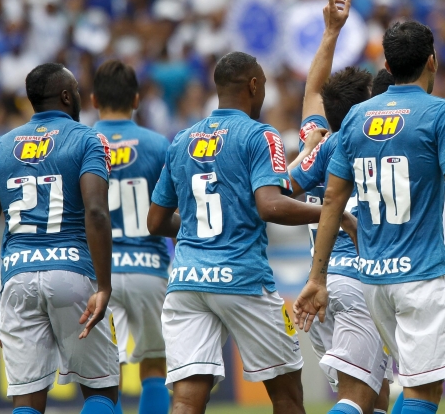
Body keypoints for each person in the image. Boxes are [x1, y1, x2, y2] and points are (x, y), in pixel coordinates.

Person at [294, 20, 445, 414]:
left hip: (372, 279)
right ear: (432, 61)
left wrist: (316, 278)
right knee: (423, 391)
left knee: (384, 392)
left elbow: (333, 198)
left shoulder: (355, 119)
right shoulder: (441, 113)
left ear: (386, 62)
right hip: (420, 275)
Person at [146, 51, 354, 414]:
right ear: (254, 85)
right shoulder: (260, 135)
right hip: (242, 279)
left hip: (186, 280)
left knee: (186, 399)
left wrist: (194, 231)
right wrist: (330, 214)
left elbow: (155, 222)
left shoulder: (182, 139)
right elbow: (270, 205)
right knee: (287, 396)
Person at [0, 63, 119, 414]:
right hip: (71, 273)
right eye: (77, 90)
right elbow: (95, 212)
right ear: (67, 96)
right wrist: (105, 286)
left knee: (27, 400)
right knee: (101, 390)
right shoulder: (88, 139)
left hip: (17, 280)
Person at [288, 0, 392, 414]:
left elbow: (313, 92)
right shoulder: (376, 141)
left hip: (321, 287)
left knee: (375, 397)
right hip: (359, 284)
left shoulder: (317, 141)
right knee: (358, 398)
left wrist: (331, 31)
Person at [92, 60, 171, 414]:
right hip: (149, 268)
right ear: (137, 99)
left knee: (106, 375)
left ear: (93, 100)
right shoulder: (158, 144)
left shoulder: (82, 143)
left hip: (97, 275)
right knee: (155, 362)